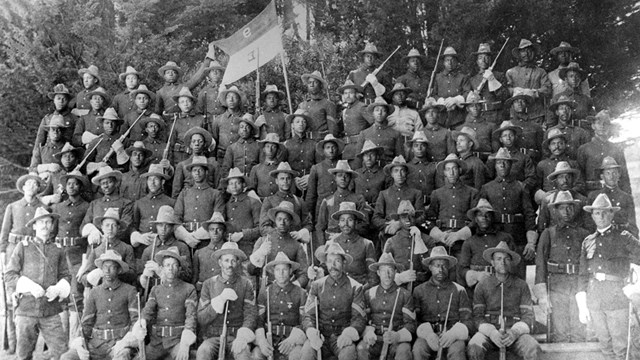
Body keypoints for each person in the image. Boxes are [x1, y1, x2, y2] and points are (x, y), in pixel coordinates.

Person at [576, 194, 640, 360]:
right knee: (605, 347)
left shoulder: (624, 237)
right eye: (597, 213)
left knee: (621, 348)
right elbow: (583, 274)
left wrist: (633, 287)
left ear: (612, 214)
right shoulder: (588, 241)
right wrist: (582, 305)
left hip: (617, 298)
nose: (601, 216)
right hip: (595, 300)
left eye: (605, 212)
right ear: (592, 216)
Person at [5, 207, 71, 359]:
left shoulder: (58, 249)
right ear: (34, 226)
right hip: (26, 309)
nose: (44, 225)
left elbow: (66, 276)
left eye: (48, 222)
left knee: (62, 353)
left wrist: (57, 289)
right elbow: (9, 275)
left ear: (52, 225)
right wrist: (30, 286)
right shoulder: (23, 247)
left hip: (50, 310)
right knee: (24, 355)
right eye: (40, 222)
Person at [467, 242, 540, 360]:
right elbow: (477, 317)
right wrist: (491, 333)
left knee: (532, 347)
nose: (503, 262)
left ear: (511, 262)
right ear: (492, 262)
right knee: (474, 346)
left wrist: (515, 332)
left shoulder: (521, 285)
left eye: (506, 259)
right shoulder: (482, 285)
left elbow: (528, 316)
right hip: (490, 333)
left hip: (514, 333)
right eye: (498, 259)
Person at [62, 250, 140, 360]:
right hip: (95, 345)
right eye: (104, 267)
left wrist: (124, 343)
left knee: (123, 356)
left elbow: (136, 322)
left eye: (112, 267)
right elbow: (86, 323)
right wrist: (80, 345)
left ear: (118, 270)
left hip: (119, 345)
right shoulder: (95, 292)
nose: (107, 271)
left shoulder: (129, 291)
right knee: (67, 357)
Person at [534, 191, 590, 342]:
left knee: (579, 331)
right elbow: (540, 265)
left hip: (578, 287)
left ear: (574, 209)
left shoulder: (584, 234)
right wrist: (542, 295)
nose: (566, 211)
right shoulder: (548, 234)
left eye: (569, 207)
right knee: (560, 333)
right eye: (562, 208)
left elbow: (589, 264)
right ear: (555, 210)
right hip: (557, 288)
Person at [0, 173, 46, 353]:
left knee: (30, 295)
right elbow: (4, 234)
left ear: (38, 188)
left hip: (32, 254)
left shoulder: (42, 208)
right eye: (27, 183)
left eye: (34, 184)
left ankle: (29, 345)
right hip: (13, 252)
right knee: (12, 298)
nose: (31, 187)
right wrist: (3, 254)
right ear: (23, 187)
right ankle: (12, 345)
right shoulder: (13, 206)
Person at [300, 242, 366, 360]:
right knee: (307, 352)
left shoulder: (355, 287)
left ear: (344, 263)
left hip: (342, 336)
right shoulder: (317, 285)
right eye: (330, 261)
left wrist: (348, 333)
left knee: (348, 354)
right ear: (325, 263)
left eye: (337, 261)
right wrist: (312, 332)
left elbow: (359, 319)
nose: (333, 265)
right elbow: (308, 316)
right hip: (321, 336)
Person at [478, 148, 537, 278]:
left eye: (506, 162)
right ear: (495, 165)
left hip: (517, 236)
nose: (502, 165)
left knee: (517, 273)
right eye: (499, 162)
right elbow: (481, 217)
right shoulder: (487, 188)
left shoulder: (521, 187)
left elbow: (529, 214)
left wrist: (531, 242)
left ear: (511, 165)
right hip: (495, 235)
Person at [196, 241, 257, 360]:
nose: (230, 265)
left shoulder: (245, 284)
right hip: (213, 337)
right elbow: (201, 318)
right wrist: (219, 301)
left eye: (233, 261)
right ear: (220, 262)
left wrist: (242, 337)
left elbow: (251, 314)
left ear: (238, 263)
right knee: (203, 351)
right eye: (226, 260)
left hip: (236, 337)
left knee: (243, 353)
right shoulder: (209, 284)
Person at [413, 246, 472, 360]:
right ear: (430, 267)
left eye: (444, 265)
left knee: (457, 350)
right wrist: (428, 334)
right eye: (436, 266)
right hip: (428, 334)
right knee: (419, 349)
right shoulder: (419, 291)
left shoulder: (459, 290)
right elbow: (415, 320)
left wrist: (454, 334)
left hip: (452, 335)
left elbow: (468, 321)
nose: (440, 269)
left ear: (449, 267)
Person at [140, 246, 198, 360]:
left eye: (174, 265)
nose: (170, 268)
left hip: (177, 340)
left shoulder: (188, 289)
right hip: (157, 343)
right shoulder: (156, 290)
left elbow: (191, 317)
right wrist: (141, 323)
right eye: (167, 265)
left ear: (180, 268)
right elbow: (147, 311)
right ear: (161, 268)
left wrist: (185, 343)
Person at [53, 170, 91, 342]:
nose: (72, 187)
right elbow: (53, 232)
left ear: (81, 187)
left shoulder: (87, 206)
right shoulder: (59, 207)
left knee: (75, 295)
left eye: (76, 183)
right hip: (61, 254)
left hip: (78, 254)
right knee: (61, 295)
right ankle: (61, 340)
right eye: (69, 184)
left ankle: (74, 341)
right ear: (65, 187)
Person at [357, 252, 416, 360]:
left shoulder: (405, 295)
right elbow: (361, 320)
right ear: (378, 272)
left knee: (404, 352)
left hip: (396, 339)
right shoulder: (369, 294)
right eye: (383, 270)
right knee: (361, 349)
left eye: (390, 270)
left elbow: (411, 325)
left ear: (395, 272)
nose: (387, 274)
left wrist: (397, 336)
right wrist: (368, 332)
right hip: (375, 338)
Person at [253, 252, 308, 360]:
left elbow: (305, 321)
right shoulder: (266, 292)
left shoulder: (300, 293)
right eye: (278, 270)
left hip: (292, 340)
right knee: (256, 355)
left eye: (285, 269)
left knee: (297, 356)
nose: (281, 273)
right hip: (269, 340)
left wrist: (293, 339)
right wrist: (262, 342)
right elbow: (258, 321)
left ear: (291, 271)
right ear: (273, 272)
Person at [458, 199, 516, 292]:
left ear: (492, 217)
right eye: (480, 215)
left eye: (487, 215)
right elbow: (462, 269)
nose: (484, 218)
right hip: (477, 288)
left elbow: (513, 265)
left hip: (501, 285)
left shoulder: (505, 238)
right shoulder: (469, 242)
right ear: (475, 219)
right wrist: (476, 276)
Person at [250, 201, 309, 288]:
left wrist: (293, 286)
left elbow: (304, 274)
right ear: (274, 220)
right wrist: (260, 253)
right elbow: (251, 270)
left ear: (291, 222)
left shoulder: (296, 245)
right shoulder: (263, 241)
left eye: (286, 219)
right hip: (266, 289)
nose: (282, 223)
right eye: (279, 219)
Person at [426, 153, 477, 255]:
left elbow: (476, 220)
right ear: (444, 172)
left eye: (454, 169)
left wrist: (458, 235)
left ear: (460, 170)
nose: (451, 173)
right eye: (448, 169)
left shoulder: (472, 193)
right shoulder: (437, 193)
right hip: (442, 240)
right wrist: (440, 235)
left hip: (464, 241)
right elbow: (429, 220)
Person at [131, 163, 175, 270]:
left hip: (163, 247)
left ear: (162, 181)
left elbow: (174, 227)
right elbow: (133, 226)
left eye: (156, 179)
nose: (152, 182)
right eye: (150, 179)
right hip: (142, 247)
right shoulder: (139, 203)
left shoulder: (170, 202)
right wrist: (140, 237)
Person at [174, 156, 225, 249]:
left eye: (200, 170)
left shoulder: (215, 194)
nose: (197, 173)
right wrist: (187, 237)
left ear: (206, 172)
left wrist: (196, 236)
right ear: (191, 173)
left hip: (206, 240)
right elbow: (176, 218)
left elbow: (217, 219)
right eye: (194, 170)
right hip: (185, 239)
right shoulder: (184, 193)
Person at [323, 202, 377, 288]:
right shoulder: (331, 243)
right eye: (342, 220)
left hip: (360, 290)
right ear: (339, 223)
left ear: (356, 222)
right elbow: (324, 271)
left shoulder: (367, 244)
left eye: (350, 220)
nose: (346, 224)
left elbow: (373, 278)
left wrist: (361, 290)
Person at [80, 207, 137, 287]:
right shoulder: (96, 250)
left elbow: (133, 275)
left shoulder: (126, 248)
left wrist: (116, 272)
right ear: (102, 227)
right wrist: (92, 276)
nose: (110, 229)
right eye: (107, 225)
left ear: (118, 228)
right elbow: (84, 278)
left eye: (113, 225)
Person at [576, 110, 631, 193]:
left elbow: (624, 178)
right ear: (593, 126)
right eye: (598, 123)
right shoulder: (584, 149)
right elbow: (579, 179)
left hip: (613, 195)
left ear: (609, 127)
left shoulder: (616, 149)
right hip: (591, 195)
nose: (602, 126)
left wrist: (627, 199)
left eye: (605, 123)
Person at [383, 201, 434, 289]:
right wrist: (400, 278)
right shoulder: (391, 242)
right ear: (399, 219)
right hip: (399, 288)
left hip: (423, 288)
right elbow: (385, 269)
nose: (408, 220)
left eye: (411, 217)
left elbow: (431, 267)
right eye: (403, 217)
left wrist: (419, 240)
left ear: (415, 218)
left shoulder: (427, 240)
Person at [139, 206, 193, 287]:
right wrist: (143, 277)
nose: (163, 229)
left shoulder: (181, 247)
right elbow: (138, 275)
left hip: (175, 290)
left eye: (167, 225)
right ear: (156, 226)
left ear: (172, 227)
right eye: (160, 225)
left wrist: (161, 271)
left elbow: (188, 276)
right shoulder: (149, 250)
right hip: (154, 292)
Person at [315, 161, 367, 245]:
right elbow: (320, 227)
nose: (343, 178)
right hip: (332, 242)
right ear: (335, 178)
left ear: (350, 178)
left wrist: (344, 235)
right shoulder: (327, 201)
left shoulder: (358, 199)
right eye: (339, 176)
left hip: (352, 242)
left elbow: (364, 224)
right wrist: (323, 246)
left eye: (346, 176)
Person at [259, 162, 313, 242]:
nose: (285, 181)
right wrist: (281, 234)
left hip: (295, 243)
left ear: (292, 180)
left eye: (288, 178)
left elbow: (308, 224)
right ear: (276, 181)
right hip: (276, 242)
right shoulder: (269, 201)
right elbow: (264, 227)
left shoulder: (299, 201)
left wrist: (300, 233)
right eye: (282, 178)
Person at [373, 155, 424, 238]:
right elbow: (376, 218)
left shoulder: (416, 193)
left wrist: (400, 224)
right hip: (390, 234)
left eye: (402, 171)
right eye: (396, 171)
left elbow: (421, 217)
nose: (399, 174)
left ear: (406, 173)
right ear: (391, 174)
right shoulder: (384, 194)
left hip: (410, 234)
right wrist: (389, 226)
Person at [81, 165, 133, 244]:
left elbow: (125, 228)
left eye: (109, 182)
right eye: (103, 183)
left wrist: (106, 238)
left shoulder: (125, 203)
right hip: (96, 247)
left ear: (116, 183)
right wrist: (92, 231)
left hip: (117, 247)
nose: (105, 186)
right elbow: (83, 227)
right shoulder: (94, 204)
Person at [586, 156, 637, 236]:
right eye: (608, 173)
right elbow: (589, 224)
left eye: (614, 173)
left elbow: (632, 226)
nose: (611, 176)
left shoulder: (626, 198)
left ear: (618, 175)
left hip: (621, 238)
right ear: (602, 176)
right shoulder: (594, 196)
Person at [505, 39, 551, 125]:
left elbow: (547, 89)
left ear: (533, 52)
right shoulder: (511, 72)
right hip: (516, 115)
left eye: (529, 50)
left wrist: (535, 92)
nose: (526, 54)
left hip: (536, 115)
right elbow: (505, 91)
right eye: (523, 51)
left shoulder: (541, 72)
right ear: (519, 54)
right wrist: (514, 90)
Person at [536, 161, 588, 233]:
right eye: (561, 177)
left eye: (568, 177)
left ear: (573, 179)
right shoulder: (548, 200)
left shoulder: (582, 200)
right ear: (556, 180)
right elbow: (542, 227)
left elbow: (587, 227)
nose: (565, 180)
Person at [486, 121, 536, 191]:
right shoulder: (493, 158)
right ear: (500, 139)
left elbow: (531, 178)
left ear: (515, 137)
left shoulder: (524, 158)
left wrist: (520, 187)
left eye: (511, 135)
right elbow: (488, 177)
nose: (508, 138)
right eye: (505, 136)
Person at [354, 97, 404, 167]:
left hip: (388, 170)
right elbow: (358, 160)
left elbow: (400, 158)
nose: (380, 113)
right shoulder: (364, 134)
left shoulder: (395, 134)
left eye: (383, 110)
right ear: (373, 113)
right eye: (377, 110)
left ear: (387, 114)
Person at [223, 168, 262, 257]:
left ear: (243, 184)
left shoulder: (253, 202)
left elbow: (261, 228)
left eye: (237, 183)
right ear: (228, 187)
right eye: (231, 183)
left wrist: (242, 234)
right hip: (230, 248)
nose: (234, 186)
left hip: (248, 248)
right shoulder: (227, 205)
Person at [171, 126, 219, 198]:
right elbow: (176, 193)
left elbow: (219, 190)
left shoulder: (213, 164)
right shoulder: (182, 165)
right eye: (193, 141)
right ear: (190, 144)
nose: (196, 144)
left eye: (200, 141)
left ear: (205, 144)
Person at [468, 43, 510, 124]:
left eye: (486, 57)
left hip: (497, 115)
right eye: (480, 58)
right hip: (480, 116)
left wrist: (492, 79)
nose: (483, 60)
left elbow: (505, 96)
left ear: (490, 59)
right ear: (477, 61)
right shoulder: (473, 80)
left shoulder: (499, 76)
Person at [431, 46, 471, 129]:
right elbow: (433, 94)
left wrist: (456, 100)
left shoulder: (463, 77)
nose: (450, 63)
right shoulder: (437, 77)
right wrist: (441, 101)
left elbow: (467, 93)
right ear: (443, 62)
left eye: (453, 60)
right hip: (441, 118)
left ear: (456, 62)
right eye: (447, 60)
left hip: (459, 118)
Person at [305, 134, 344, 217]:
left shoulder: (343, 166)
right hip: (322, 210)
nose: (331, 150)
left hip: (341, 208)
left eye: (333, 147)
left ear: (337, 149)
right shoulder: (316, 168)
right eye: (328, 147)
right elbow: (311, 195)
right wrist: (309, 215)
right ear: (323, 150)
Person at [283, 110, 320, 194]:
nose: (301, 124)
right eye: (297, 121)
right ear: (292, 125)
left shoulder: (314, 144)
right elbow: (283, 167)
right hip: (292, 185)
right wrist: (293, 178)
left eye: (304, 122)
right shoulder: (286, 145)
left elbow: (319, 166)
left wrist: (310, 177)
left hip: (311, 184)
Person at [535, 128, 583, 194]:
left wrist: (567, 193)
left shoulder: (573, 164)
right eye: (553, 144)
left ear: (565, 145)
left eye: (560, 143)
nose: (557, 146)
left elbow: (579, 185)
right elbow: (537, 187)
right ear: (549, 146)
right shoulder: (542, 165)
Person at [455, 91, 498, 161]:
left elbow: (496, 151)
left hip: (486, 161)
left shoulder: (491, 126)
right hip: (467, 162)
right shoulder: (460, 128)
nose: (475, 108)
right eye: (471, 106)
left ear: (481, 107)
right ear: (467, 108)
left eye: (477, 105)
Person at [168, 87, 207, 164]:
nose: (185, 104)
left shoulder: (200, 119)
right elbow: (170, 144)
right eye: (182, 102)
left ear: (192, 103)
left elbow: (207, 141)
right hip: (179, 158)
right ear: (178, 105)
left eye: (188, 101)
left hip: (197, 158)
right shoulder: (175, 121)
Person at [210, 85, 248, 161]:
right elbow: (214, 141)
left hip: (239, 158)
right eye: (228, 97)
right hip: (222, 158)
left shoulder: (245, 119)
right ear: (225, 100)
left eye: (234, 97)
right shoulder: (218, 119)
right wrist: (213, 159)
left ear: (239, 100)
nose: (231, 99)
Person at [337, 79, 372, 163]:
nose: (348, 96)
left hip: (360, 146)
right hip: (347, 148)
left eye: (351, 93)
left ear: (356, 94)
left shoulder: (361, 107)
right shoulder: (345, 110)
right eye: (345, 93)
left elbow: (374, 124)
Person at [506, 89, 544, 163]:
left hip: (532, 160)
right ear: (512, 105)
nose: (519, 104)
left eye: (522, 101)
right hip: (514, 162)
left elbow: (541, 150)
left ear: (526, 104)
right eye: (516, 101)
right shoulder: (508, 125)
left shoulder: (535, 126)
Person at [352, 140, 392, 212]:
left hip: (378, 211)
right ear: (362, 157)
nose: (369, 158)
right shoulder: (356, 174)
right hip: (359, 211)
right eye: (366, 155)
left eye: (372, 155)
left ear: (377, 156)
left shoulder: (384, 174)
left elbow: (388, 197)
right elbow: (351, 195)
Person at [34, 83, 77, 148]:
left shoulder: (73, 119)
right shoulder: (47, 119)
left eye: (64, 99)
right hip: (49, 153)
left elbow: (77, 141)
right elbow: (39, 143)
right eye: (58, 98)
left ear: (68, 101)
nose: (61, 101)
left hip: (66, 153)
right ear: (54, 100)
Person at [192, 212, 227, 291]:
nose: (215, 232)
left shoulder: (228, 252)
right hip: (204, 295)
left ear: (224, 232)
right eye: (212, 229)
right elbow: (194, 281)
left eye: (219, 229)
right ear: (208, 232)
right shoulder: (199, 253)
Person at [298, 70, 338, 138]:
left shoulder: (328, 104)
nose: (312, 84)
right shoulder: (302, 105)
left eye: (315, 82)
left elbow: (332, 131)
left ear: (321, 86)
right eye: (309, 82)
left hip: (321, 141)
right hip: (306, 143)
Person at [221, 114, 261, 178]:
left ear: (251, 130)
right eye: (241, 127)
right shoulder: (232, 148)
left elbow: (261, 168)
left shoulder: (258, 146)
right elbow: (225, 169)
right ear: (238, 130)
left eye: (247, 127)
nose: (244, 129)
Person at [405, 131, 436, 206]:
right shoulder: (406, 167)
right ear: (412, 149)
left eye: (422, 145)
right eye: (416, 145)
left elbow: (438, 190)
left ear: (426, 148)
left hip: (430, 205)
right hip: (410, 206)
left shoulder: (433, 167)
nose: (419, 148)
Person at [249, 133, 283, 199]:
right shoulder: (256, 169)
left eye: (273, 146)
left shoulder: (282, 168)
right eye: (267, 146)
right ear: (263, 149)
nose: (270, 150)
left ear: (278, 150)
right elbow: (251, 191)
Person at [421, 97, 455, 162]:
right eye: (428, 112)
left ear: (438, 115)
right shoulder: (421, 133)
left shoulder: (446, 132)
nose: (431, 115)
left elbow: (451, 154)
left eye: (433, 112)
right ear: (425, 116)